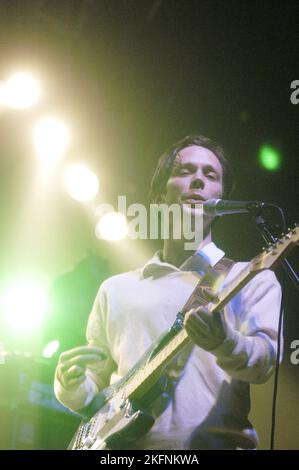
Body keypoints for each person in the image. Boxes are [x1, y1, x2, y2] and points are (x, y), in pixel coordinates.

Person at [54, 135, 282, 450]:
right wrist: (72, 384)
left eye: (210, 175)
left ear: (221, 199)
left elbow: (263, 366)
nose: (199, 180)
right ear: (161, 196)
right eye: (186, 171)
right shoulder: (115, 289)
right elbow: (97, 395)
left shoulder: (251, 277)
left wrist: (223, 342)